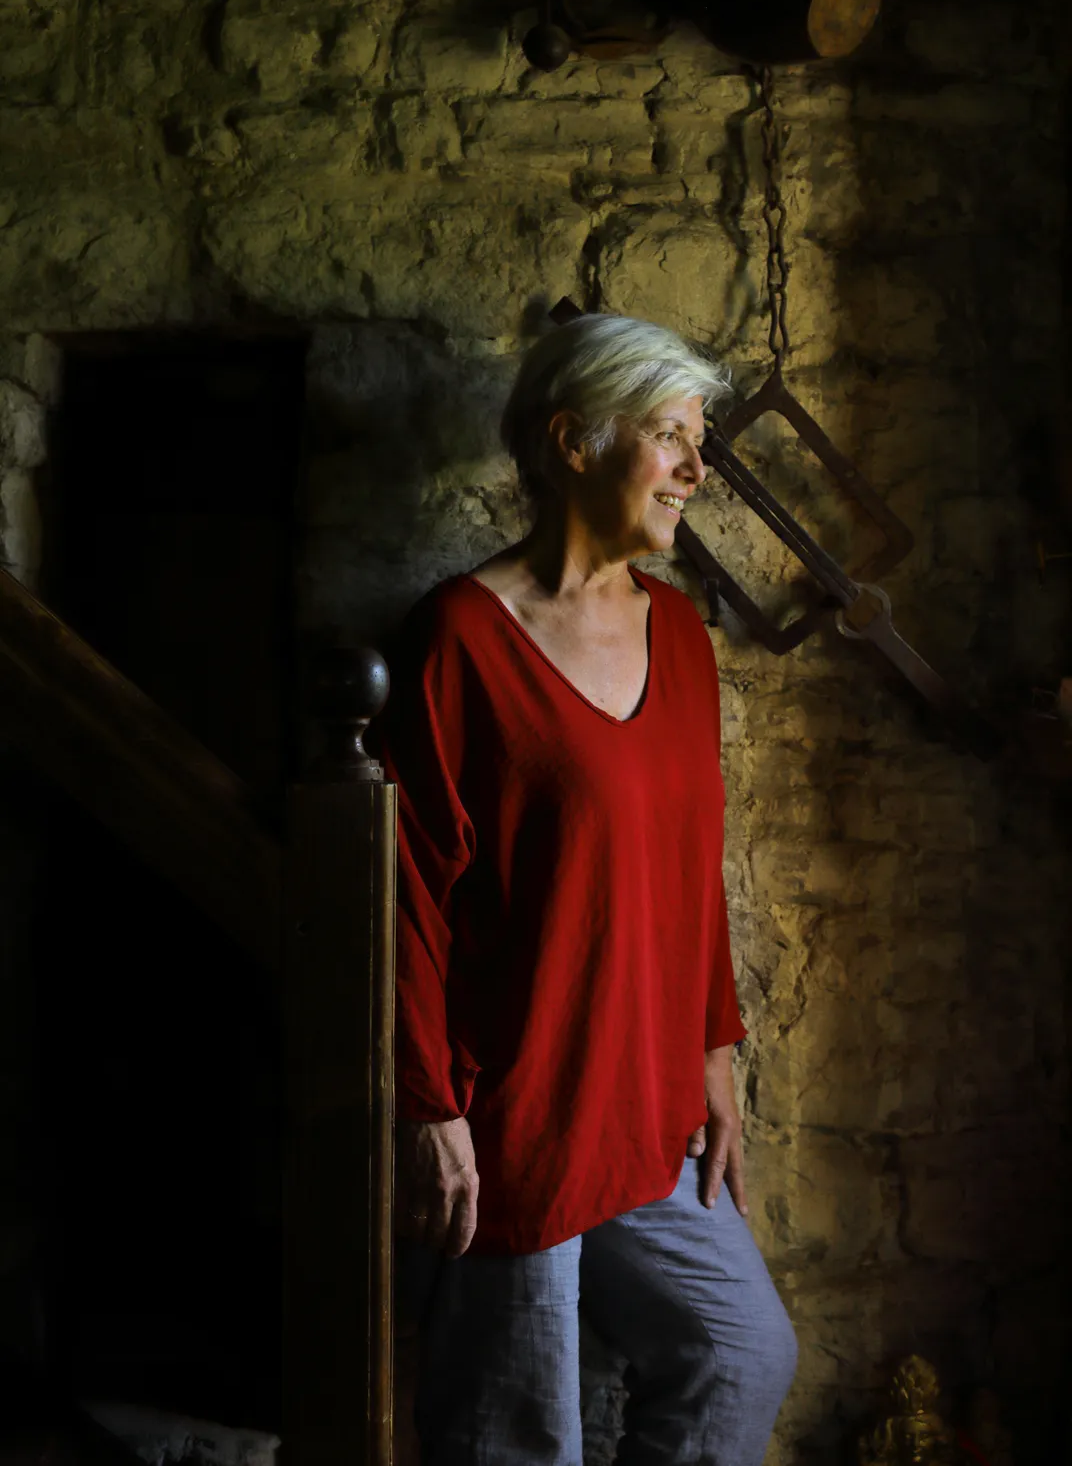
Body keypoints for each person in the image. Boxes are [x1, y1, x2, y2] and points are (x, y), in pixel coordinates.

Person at [377, 313, 798, 1465]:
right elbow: (407, 900)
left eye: (694, 441)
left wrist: (713, 1050)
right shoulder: (459, 636)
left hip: (649, 1104)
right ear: (572, 441)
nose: (696, 471)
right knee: (521, 1440)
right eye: (671, 437)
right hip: (512, 1116)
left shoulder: (679, 632)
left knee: (741, 1351)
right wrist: (430, 1109)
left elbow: (688, 868)